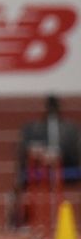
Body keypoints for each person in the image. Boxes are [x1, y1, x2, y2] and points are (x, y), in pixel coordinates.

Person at [9, 95, 81, 231]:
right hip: (40, 168)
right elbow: (25, 149)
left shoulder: (71, 129)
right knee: (21, 178)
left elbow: (75, 152)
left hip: (66, 167)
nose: (52, 111)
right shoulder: (34, 128)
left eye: (55, 107)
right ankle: (20, 219)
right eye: (50, 107)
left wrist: (59, 155)